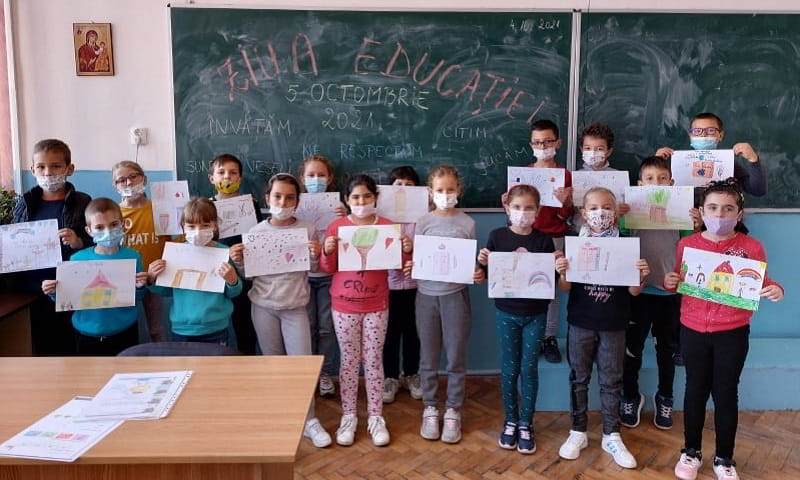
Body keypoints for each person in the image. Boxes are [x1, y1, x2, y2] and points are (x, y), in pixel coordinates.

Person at [665, 180, 783, 480]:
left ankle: (724, 458)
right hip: (692, 330)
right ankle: (691, 451)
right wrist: (670, 282)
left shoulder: (751, 247)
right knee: (694, 390)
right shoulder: (687, 245)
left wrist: (776, 288)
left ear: (739, 214)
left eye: (728, 209)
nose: (720, 214)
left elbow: (762, 281)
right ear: (702, 211)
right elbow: (680, 281)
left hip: (732, 332)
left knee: (726, 392)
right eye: (713, 208)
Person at [230, 173, 331, 448]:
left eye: (289, 198)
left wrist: (316, 255)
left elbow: (313, 269)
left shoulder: (307, 229)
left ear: (297, 202)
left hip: (295, 308)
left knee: (302, 365)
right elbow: (249, 275)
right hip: (263, 307)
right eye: (277, 196)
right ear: (267, 198)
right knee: (273, 364)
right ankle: (281, 417)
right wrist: (239, 261)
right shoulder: (256, 232)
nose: (283, 203)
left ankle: (309, 420)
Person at [555, 187, 649, 469]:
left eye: (607, 207)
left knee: (612, 380)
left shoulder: (627, 244)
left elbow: (634, 291)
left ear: (616, 212)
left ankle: (611, 434)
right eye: (594, 208)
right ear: (584, 214)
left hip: (614, 324)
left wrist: (641, 276)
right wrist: (562, 271)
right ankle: (578, 431)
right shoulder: (574, 242)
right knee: (578, 378)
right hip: (580, 321)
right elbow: (565, 287)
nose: (601, 213)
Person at [320, 174, 412, 447]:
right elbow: (328, 268)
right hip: (343, 305)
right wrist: (327, 251)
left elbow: (399, 266)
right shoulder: (336, 226)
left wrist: (407, 250)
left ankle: (375, 416)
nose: (361, 202)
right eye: (356, 197)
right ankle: (349, 416)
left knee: (373, 361)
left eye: (367, 196)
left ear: (376, 198)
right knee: (349, 362)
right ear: (346, 200)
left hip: (376, 304)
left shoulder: (387, 226)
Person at [619, 156, 698, 431]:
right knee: (632, 348)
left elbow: (689, 248)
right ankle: (630, 396)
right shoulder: (630, 212)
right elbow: (620, 245)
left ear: (672, 183)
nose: (656, 183)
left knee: (667, 350)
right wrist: (619, 216)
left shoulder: (681, 213)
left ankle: (665, 397)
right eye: (650, 179)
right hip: (638, 291)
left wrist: (697, 224)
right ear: (639, 184)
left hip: (669, 293)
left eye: (662, 179)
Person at [477, 184, 556, 454]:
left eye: (529, 207)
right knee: (510, 369)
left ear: (538, 210)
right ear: (507, 208)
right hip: (506, 312)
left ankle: (526, 423)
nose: (523, 212)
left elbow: (552, 280)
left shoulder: (544, 241)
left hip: (536, 314)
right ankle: (510, 420)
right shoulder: (497, 236)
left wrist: (557, 265)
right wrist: (482, 262)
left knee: (529, 369)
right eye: (517, 207)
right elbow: (486, 275)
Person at [409, 164, 485, 444]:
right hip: (426, 296)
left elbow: (470, 262)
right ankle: (430, 407)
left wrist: (477, 272)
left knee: (455, 356)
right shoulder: (423, 222)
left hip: (455, 296)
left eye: (450, 189)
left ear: (458, 190)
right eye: (440, 190)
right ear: (431, 192)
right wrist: (412, 265)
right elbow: (418, 258)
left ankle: (453, 409)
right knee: (428, 357)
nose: (445, 194)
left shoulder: (468, 223)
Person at [11, 138, 92, 356]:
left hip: (68, 289)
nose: (48, 173)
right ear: (32, 170)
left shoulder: (82, 202)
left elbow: (97, 244)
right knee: (37, 348)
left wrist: (78, 242)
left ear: (69, 169)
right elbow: (13, 242)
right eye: (41, 167)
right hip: (30, 291)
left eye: (56, 166)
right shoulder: (24, 203)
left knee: (68, 348)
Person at [41, 198, 147, 355]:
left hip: (125, 332)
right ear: (89, 231)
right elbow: (69, 298)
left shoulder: (133, 256)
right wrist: (54, 292)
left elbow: (139, 296)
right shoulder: (77, 259)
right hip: (86, 334)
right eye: (99, 227)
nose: (108, 231)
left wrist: (141, 286)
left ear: (122, 224)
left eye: (113, 224)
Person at [147, 198, 242, 344]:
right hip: (182, 328)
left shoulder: (224, 253)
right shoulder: (176, 254)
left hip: (215, 328)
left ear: (215, 225)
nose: (198, 232)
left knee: (216, 360)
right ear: (183, 227)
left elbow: (233, 293)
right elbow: (167, 291)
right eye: (191, 226)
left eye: (205, 225)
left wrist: (233, 281)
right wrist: (152, 279)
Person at [525, 120, 574, 364]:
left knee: (551, 290)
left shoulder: (565, 175)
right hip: (528, 236)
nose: (542, 147)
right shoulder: (523, 174)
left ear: (558, 143)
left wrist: (565, 203)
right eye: (537, 142)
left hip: (555, 238)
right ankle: (531, 335)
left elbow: (567, 216)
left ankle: (549, 337)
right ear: (531, 145)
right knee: (527, 285)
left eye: (547, 141)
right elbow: (516, 212)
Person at [208, 153, 263, 355]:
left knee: (244, 324)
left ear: (240, 178)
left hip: (244, 272)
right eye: (221, 172)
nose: (227, 177)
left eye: (233, 173)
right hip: (216, 272)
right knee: (215, 325)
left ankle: (247, 361)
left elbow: (259, 235)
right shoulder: (206, 207)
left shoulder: (251, 205)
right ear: (212, 178)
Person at [301, 154, 346, 397]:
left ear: (330, 178)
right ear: (302, 178)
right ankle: (309, 373)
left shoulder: (339, 209)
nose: (316, 180)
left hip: (329, 275)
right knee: (306, 327)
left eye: (321, 175)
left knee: (327, 328)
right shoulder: (293, 205)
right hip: (302, 277)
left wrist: (346, 217)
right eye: (311, 175)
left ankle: (325, 373)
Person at [112, 160, 169, 342]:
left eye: (133, 177)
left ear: (144, 179)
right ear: (115, 186)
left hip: (155, 277)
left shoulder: (160, 209)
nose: (128, 183)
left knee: (156, 329)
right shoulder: (114, 214)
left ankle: (161, 358)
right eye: (121, 180)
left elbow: (172, 241)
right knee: (124, 325)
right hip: (125, 278)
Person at [383, 165, 423, 404]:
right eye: (398, 184)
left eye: (409, 185)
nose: (404, 189)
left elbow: (430, 250)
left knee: (412, 332)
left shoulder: (423, 218)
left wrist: (413, 249)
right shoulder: (380, 216)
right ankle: (390, 376)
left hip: (415, 285)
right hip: (386, 285)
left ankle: (411, 374)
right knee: (389, 333)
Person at [655, 112, 767, 197]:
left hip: (718, 217)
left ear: (720, 135)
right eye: (697, 131)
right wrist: (656, 163)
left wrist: (753, 159)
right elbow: (654, 192)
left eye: (710, 130)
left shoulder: (728, 163)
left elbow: (757, 190)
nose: (703, 135)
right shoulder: (675, 163)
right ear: (690, 136)